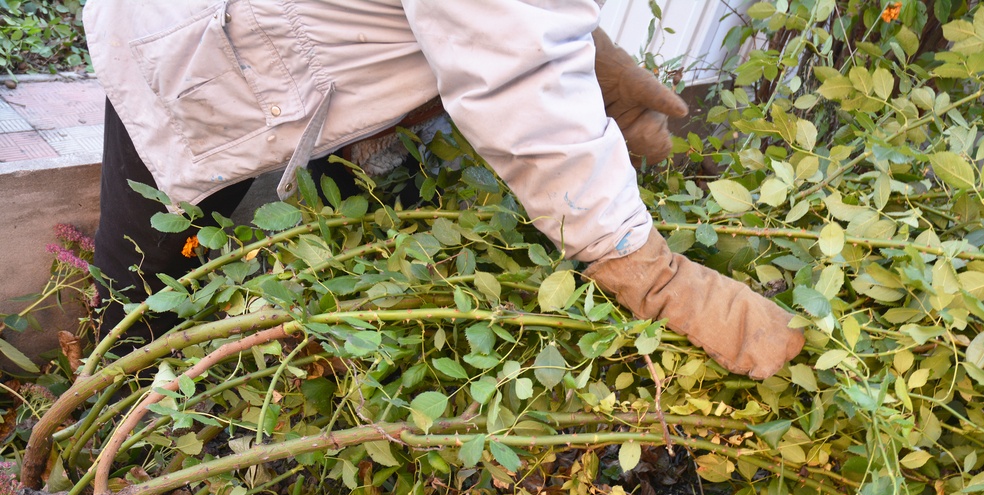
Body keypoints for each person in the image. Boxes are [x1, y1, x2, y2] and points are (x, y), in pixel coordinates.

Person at [83, 0, 804, 379]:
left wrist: (590, 55)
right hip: (196, 42)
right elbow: (515, 73)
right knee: (143, 280)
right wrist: (652, 273)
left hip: (319, 38)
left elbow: (508, 22)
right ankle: (106, 456)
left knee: (365, 222)